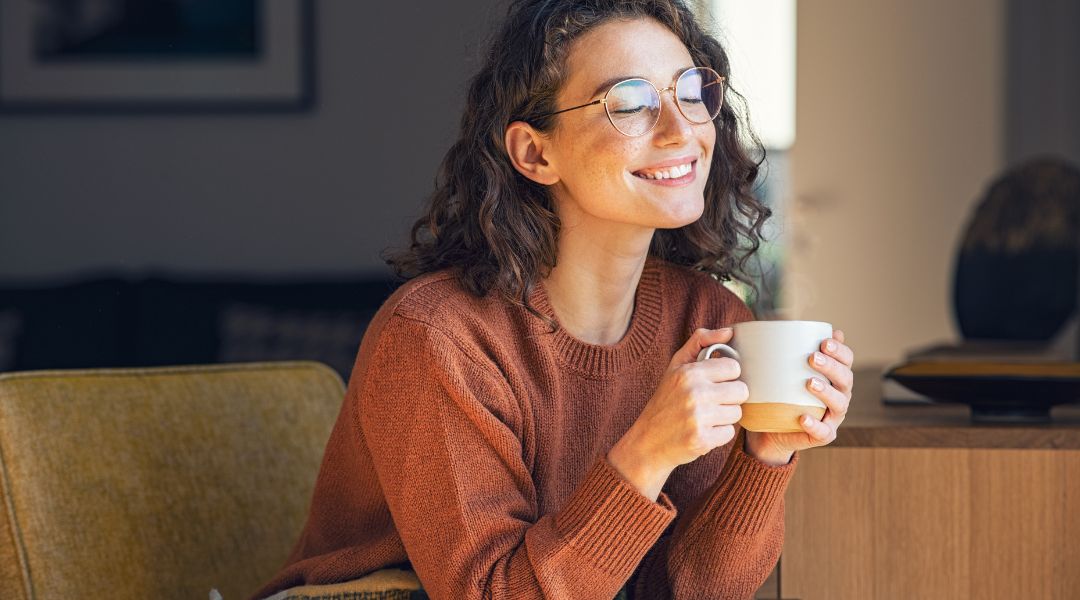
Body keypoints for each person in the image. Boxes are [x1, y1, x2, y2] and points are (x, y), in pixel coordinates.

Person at [251, 0, 855, 598]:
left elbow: (691, 591)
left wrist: (764, 457)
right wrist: (646, 452)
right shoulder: (436, 337)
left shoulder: (708, 320)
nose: (682, 131)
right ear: (536, 153)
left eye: (690, 91)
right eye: (630, 103)